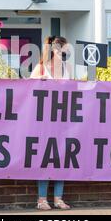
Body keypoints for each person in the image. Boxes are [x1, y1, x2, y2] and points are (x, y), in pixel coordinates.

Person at [30, 36, 73, 210]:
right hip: (44, 122)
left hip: (63, 121)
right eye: (61, 48)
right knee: (45, 159)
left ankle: (58, 198)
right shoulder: (40, 68)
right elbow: (28, 92)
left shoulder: (67, 68)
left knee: (61, 158)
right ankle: (41, 199)